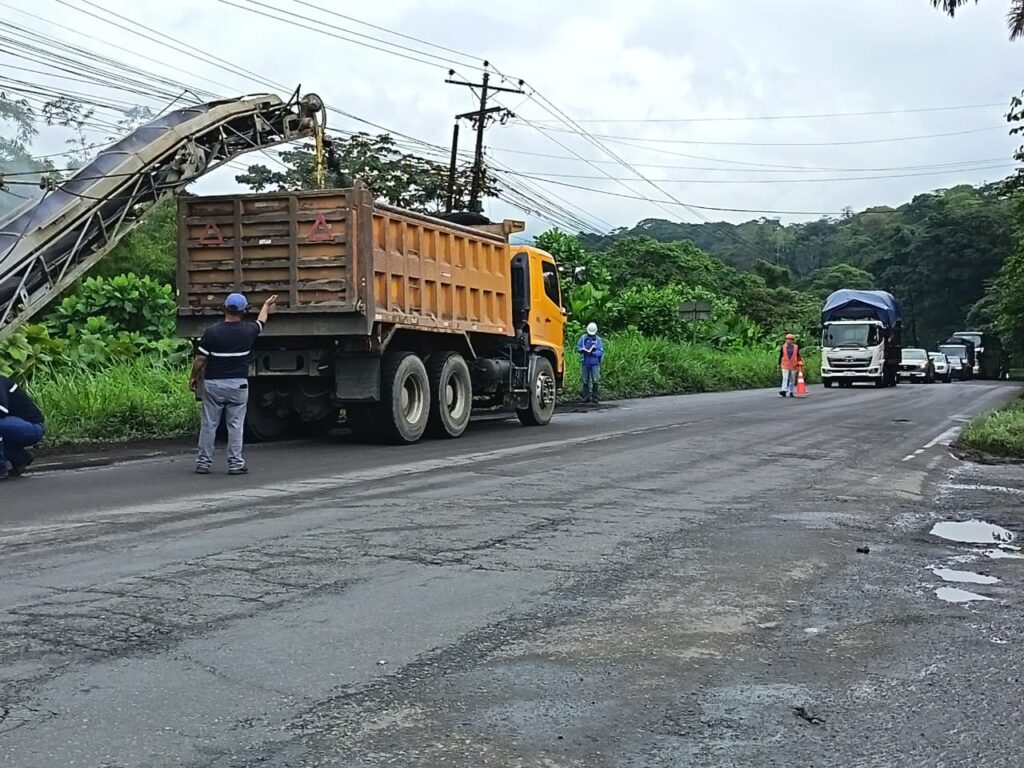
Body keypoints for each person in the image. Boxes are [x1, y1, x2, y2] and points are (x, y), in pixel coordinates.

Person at [189, 292, 277, 475]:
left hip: (214, 385)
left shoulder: (212, 332)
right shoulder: (249, 331)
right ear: (244, 311)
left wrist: (194, 377)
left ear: (224, 308)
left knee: (209, 425)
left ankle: (203, 463)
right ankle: (236, 464)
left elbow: (200, 359)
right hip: (238, 386)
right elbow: (262, 321)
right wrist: (266, 305)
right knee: (236, 425)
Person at [0, 374, 46, 480]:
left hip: (32, 426)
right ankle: (19, 458)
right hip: (13, 426)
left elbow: (2, 409)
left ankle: (1, 469)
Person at [577, 322, 605, 403]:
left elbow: (601, 351)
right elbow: (578, 347)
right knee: (585, 380)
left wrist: (593, 352)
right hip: (585, 362)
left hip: (594, 363)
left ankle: (595, 396)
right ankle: (586, 396)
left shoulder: (598, 340)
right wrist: (582, 350)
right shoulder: (583, 338)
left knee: (595, 380)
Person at [778, 333, 803, 398]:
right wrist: (778, 364)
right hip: (785, 365)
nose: (788, 341)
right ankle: (784, 390)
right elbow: (781, 356)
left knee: (792, 379)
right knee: (785, 378)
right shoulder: (783, 347)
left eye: (790, 339)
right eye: (787, 339)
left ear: (792, 340)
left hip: (793, 365)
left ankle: (791, 391)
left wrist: (800, 362)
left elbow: (798, 355)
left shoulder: (796, 347)